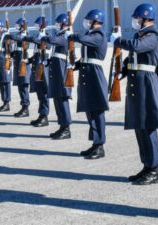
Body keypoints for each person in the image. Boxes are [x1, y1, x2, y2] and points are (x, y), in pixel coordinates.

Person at [110, 3, 158, 185]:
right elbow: (132, 56)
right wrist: (123, 69)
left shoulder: (153, 35)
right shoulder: (140, 34)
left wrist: (118, 40)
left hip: (147, 83)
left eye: (137, 18)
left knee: (147, 127)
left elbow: (137, 47)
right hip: (137, 83)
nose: (135, 21)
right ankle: (147, 166)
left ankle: (154, 169)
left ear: (146, 17)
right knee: (139, 127)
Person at [68, 9, 108, 159]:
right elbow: (85, 57)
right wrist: (75, 65)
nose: (86, 22)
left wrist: (72, 36)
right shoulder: (90, 35)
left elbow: (84, 40)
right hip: (87, 74)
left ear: (95, 21)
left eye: (88, 20)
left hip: (95, 75)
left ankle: (100, 145)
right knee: (90, 111)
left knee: (97, 111)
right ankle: (94, 144)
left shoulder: (98, 35)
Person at [42, 13, 72, 139]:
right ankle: (61, 126)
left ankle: (66, 128)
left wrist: (44, 36)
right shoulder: (60, 34)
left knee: (62, 99)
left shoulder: (66, 35)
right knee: (57, 99)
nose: (57, 25)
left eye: (59, 23)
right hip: (56, 71)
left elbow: (54, 41)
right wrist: (49, 61)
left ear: (64, 24)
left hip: (62, 72)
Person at [24, 16, 50, 127]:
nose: (36, 26)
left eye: (37, 24)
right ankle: (41, 115)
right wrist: (28, 60)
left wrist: (29, 38)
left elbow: (45, 48)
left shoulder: (47, 37)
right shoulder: (38, 36)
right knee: (40, 94)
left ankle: (44, 116)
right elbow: (36, 55)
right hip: (37, 69)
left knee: (44, 94)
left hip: (43, 70)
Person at [9, 18, 32, 117]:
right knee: (20, 86)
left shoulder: (25, 35)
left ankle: (25, 107)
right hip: (18, 63)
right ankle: (23, 106)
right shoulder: (20, 35)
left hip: (23, 64)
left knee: (23, 86)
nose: (16, 26)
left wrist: (9, 34)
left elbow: (18, 39)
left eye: (18, 25)